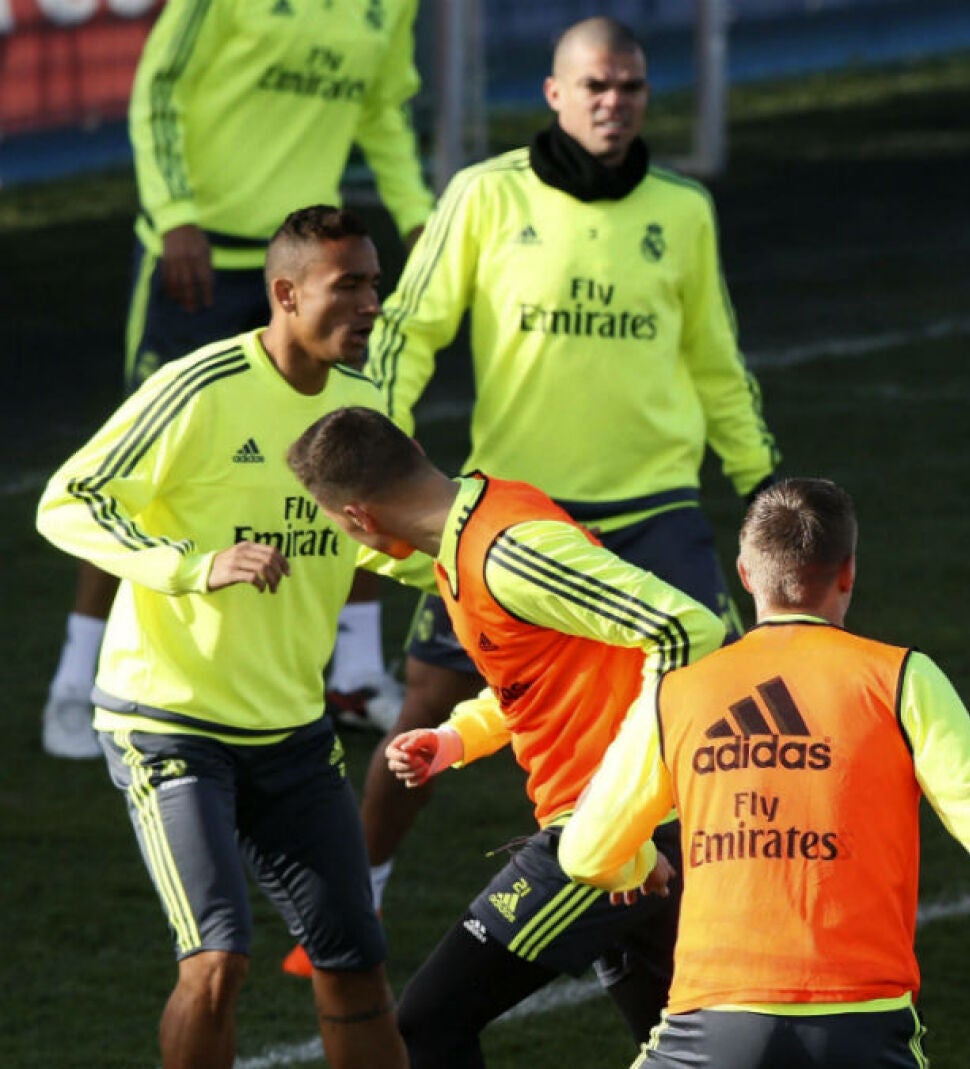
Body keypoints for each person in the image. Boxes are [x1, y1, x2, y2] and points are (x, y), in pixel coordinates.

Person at [354, 13, 779, 937]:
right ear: (553, 93)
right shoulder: (482, 196)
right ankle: (357, 895)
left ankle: (728, 902)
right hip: (513, 521)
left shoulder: (682, 210)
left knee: (717, 700)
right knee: (430, 701)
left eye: (629, 87)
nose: (612, 103)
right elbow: (412, 329)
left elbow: (716, 358)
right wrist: (376, 436)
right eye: (594, 86)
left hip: (654, 506)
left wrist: (760, 479)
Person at [558, 477, 970, 1068]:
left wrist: (640, 865)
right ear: (849, 574)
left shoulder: (678, 694)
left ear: (746, 575)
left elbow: (585, 852)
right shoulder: (903, 679)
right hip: (863, 1023)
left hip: (713, 1023)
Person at [36, 207, 415, 1069]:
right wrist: (190, 566)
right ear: (284, 294)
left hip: (290, 729)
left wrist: (478, 572)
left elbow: (395, 544)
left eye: (374, 285)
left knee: (355, 958)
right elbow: (68, 499)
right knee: (217, 957)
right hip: (167, 721)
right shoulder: (199, 386)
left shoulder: (364, 407)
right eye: (346, 286)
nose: (369, 305)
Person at [41, 0, 435, 760]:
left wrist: (417, 214)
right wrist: (175, 210)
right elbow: (158, 88)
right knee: (144, 467)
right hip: (197, 259)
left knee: (357, 447)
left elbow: (382, 108)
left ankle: (352, 671)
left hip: (309, 271)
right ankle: (74, 677)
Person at [285, 405, 728, 1066]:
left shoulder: (507, 552)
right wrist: (458, 737)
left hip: (610, 828)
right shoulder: (476, 528)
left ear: (360, 520)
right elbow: (541, 673)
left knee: (428, 1022)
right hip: (626, 825)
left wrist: (626, 813)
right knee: (694, 1048)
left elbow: (686, 629)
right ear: (413, 444)